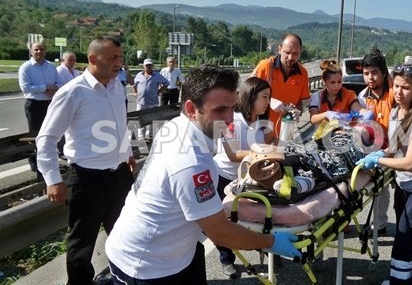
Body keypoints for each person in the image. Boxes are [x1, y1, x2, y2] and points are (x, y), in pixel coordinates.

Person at [105, 65, 301, 285]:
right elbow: (220, 232)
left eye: (232, 108)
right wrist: (271, 241)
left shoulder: (177, 125)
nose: (229, 118)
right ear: (191, 108)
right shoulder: (191, 161)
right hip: (147, 264)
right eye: (219, 110)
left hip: (177, 247)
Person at [36, 36, 136, 285]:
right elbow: (46, 139)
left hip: (119, 174)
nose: (119, 63)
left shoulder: (116, 86)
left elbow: (119, 125)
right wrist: (52, 179)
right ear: (93, 59)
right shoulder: (73, 92)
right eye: (113, 58)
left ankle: (122, 277)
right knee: (83, 242)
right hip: (88, 177)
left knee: (125, 232)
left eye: (120, 58)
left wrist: (127, 153)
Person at [357, 63, 412, 285]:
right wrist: (376, 154)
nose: (399, 93)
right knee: (411, 239)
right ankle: (408, 279)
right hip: (404, 185)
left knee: (403, 239)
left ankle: (399, 282)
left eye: (406, 88)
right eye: (396, 86)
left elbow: (411, 162)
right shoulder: (395, 112)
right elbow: (394, 147)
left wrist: (379, 160)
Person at [212, 76, 272, 278]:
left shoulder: (263, 122)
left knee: (257, 214)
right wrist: (262, 152)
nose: (267, 102)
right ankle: (226, 259)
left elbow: (277, 142)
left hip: (250, 178)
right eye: (264, 97)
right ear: (251, 96)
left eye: (269, 97)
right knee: (224, 221)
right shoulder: (232, 120)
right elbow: (232, 154)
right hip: (225, 177)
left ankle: (264, 247)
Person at [357, 52, 395, 237]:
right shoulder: (363, 97)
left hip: (398, 148)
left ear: (383, 72)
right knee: (377, 187)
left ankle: (384, 223)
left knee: (399, 189)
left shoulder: (395, 93)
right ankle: (379, 224)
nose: (370, 78)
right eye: (366, 73)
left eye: (374, 73)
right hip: (375, 149)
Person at [253, 33, 310, 140]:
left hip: (286, 132)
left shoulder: (303, 73)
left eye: (295, 53)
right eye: (287, 52)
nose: (291, 57)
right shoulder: (265, 66)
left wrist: (297, 111)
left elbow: (302, 102)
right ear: (279, 49)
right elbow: (247, 94)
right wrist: (269, 100)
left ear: (300, 52)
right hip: (259, 131)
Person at [18, 41, 59, 179]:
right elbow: (26, 88)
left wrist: (53, 89)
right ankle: (36, 164)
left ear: (45, 51)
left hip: (48, 103)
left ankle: (48, 162)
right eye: (36, 50)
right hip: (34, 105)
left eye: (41, 49)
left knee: (49, 133)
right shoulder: (26, 68)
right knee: (35, 136)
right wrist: (46, 87)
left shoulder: (51, 67)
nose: (39, 52)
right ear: (31, 52)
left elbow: (58, 83)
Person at [308, 59, 368, 125]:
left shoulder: (349, 94)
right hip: (323, 134)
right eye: (332, 82)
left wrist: (367, 113)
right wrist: (328, 114)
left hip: (344, 133)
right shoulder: (317, 96)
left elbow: (359, 110)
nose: (336, 86)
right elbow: (313, 119)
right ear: (324, 82)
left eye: (339, 82)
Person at [133, 58, 169, 139]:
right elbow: (134, 84)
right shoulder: (139, 75)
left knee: (152, 119)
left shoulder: (157, 76)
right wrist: (135, 92)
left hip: (152, 101)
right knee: (141, 119)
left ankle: (151, 136)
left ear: (152, 66)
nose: (149, 67)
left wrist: (159, 91)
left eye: (150, 65)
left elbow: (166, 83)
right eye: (147, 65)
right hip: (141, 101)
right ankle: (141, 136)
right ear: (144, 66)